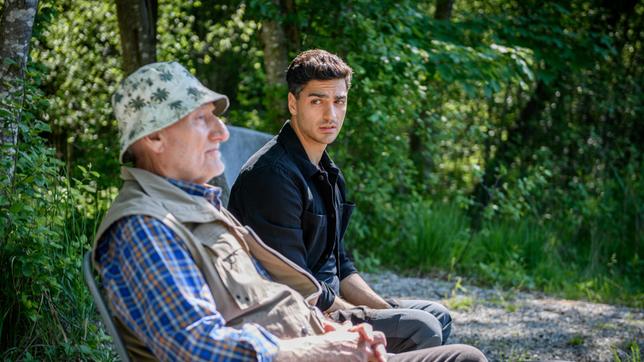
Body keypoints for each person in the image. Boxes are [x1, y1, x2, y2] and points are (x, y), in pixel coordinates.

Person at [92, 61, 487, 361]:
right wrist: (323, 346)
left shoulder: (191, 207)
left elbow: (286, 288)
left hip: (314, 338)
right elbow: (197, 346)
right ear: (155, 138)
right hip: (305, 353)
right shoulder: (145, 227)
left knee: (451, 344)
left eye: (216, 117)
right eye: (201, 120)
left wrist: (339, 330)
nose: (222, 132)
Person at [229, 49, 454, 354]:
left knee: (437, 315)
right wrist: (357, 321)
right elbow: (295, 285)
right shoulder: (272, 177)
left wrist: (382, 309)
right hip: (297, 316)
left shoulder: (326, 171)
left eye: (339, 101)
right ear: (293, 104)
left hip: (328, 301)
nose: (330, 115)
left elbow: (341, 265)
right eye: (317, 101)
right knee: (422, 327)